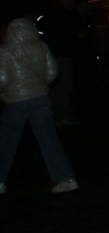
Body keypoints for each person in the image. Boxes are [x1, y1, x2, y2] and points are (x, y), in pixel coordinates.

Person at [0, 17, 79, 195]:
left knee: (7, 141)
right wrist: (39, 85)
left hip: (16, 100)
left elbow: (2, 79)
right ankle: (66, 179)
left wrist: (4, 93)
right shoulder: (41, 46)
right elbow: (52, 72)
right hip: (40, 98)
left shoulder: (4, 51)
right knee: (49, 139)